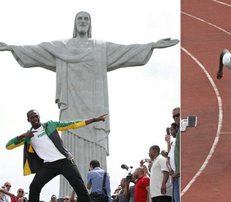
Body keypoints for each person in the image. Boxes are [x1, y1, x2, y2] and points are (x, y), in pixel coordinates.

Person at [0, 11, 179, 195]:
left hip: (95, 104)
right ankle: (66, 196)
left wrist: (152, 45)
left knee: (77, 170)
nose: (83, 22)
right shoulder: (62, 47)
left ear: (90, 24)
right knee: (53, 173)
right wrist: (12, 48)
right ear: (74, 24)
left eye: (86, 19)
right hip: (70, 104)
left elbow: (125, 50)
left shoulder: (100, 47)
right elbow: (38, 50)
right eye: (80, 19)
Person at [5, 109, 107, 201]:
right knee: (34, 187)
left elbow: (72, 124)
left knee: (79, 186)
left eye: (36, 116)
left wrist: (94, 120)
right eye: (32, 117)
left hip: (64, 161)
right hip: (48, 165)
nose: (35, 118)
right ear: (28, 120)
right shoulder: (28, 136)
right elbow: (8, 146)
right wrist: (21, 136)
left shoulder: (50, 125)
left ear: (39, 116)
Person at [171, 108, 180, 202]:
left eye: (178, 115)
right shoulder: (176, 139)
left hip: (179, 173)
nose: (176, 117)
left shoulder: (181, 132)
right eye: (174, 116)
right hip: (176, 174)